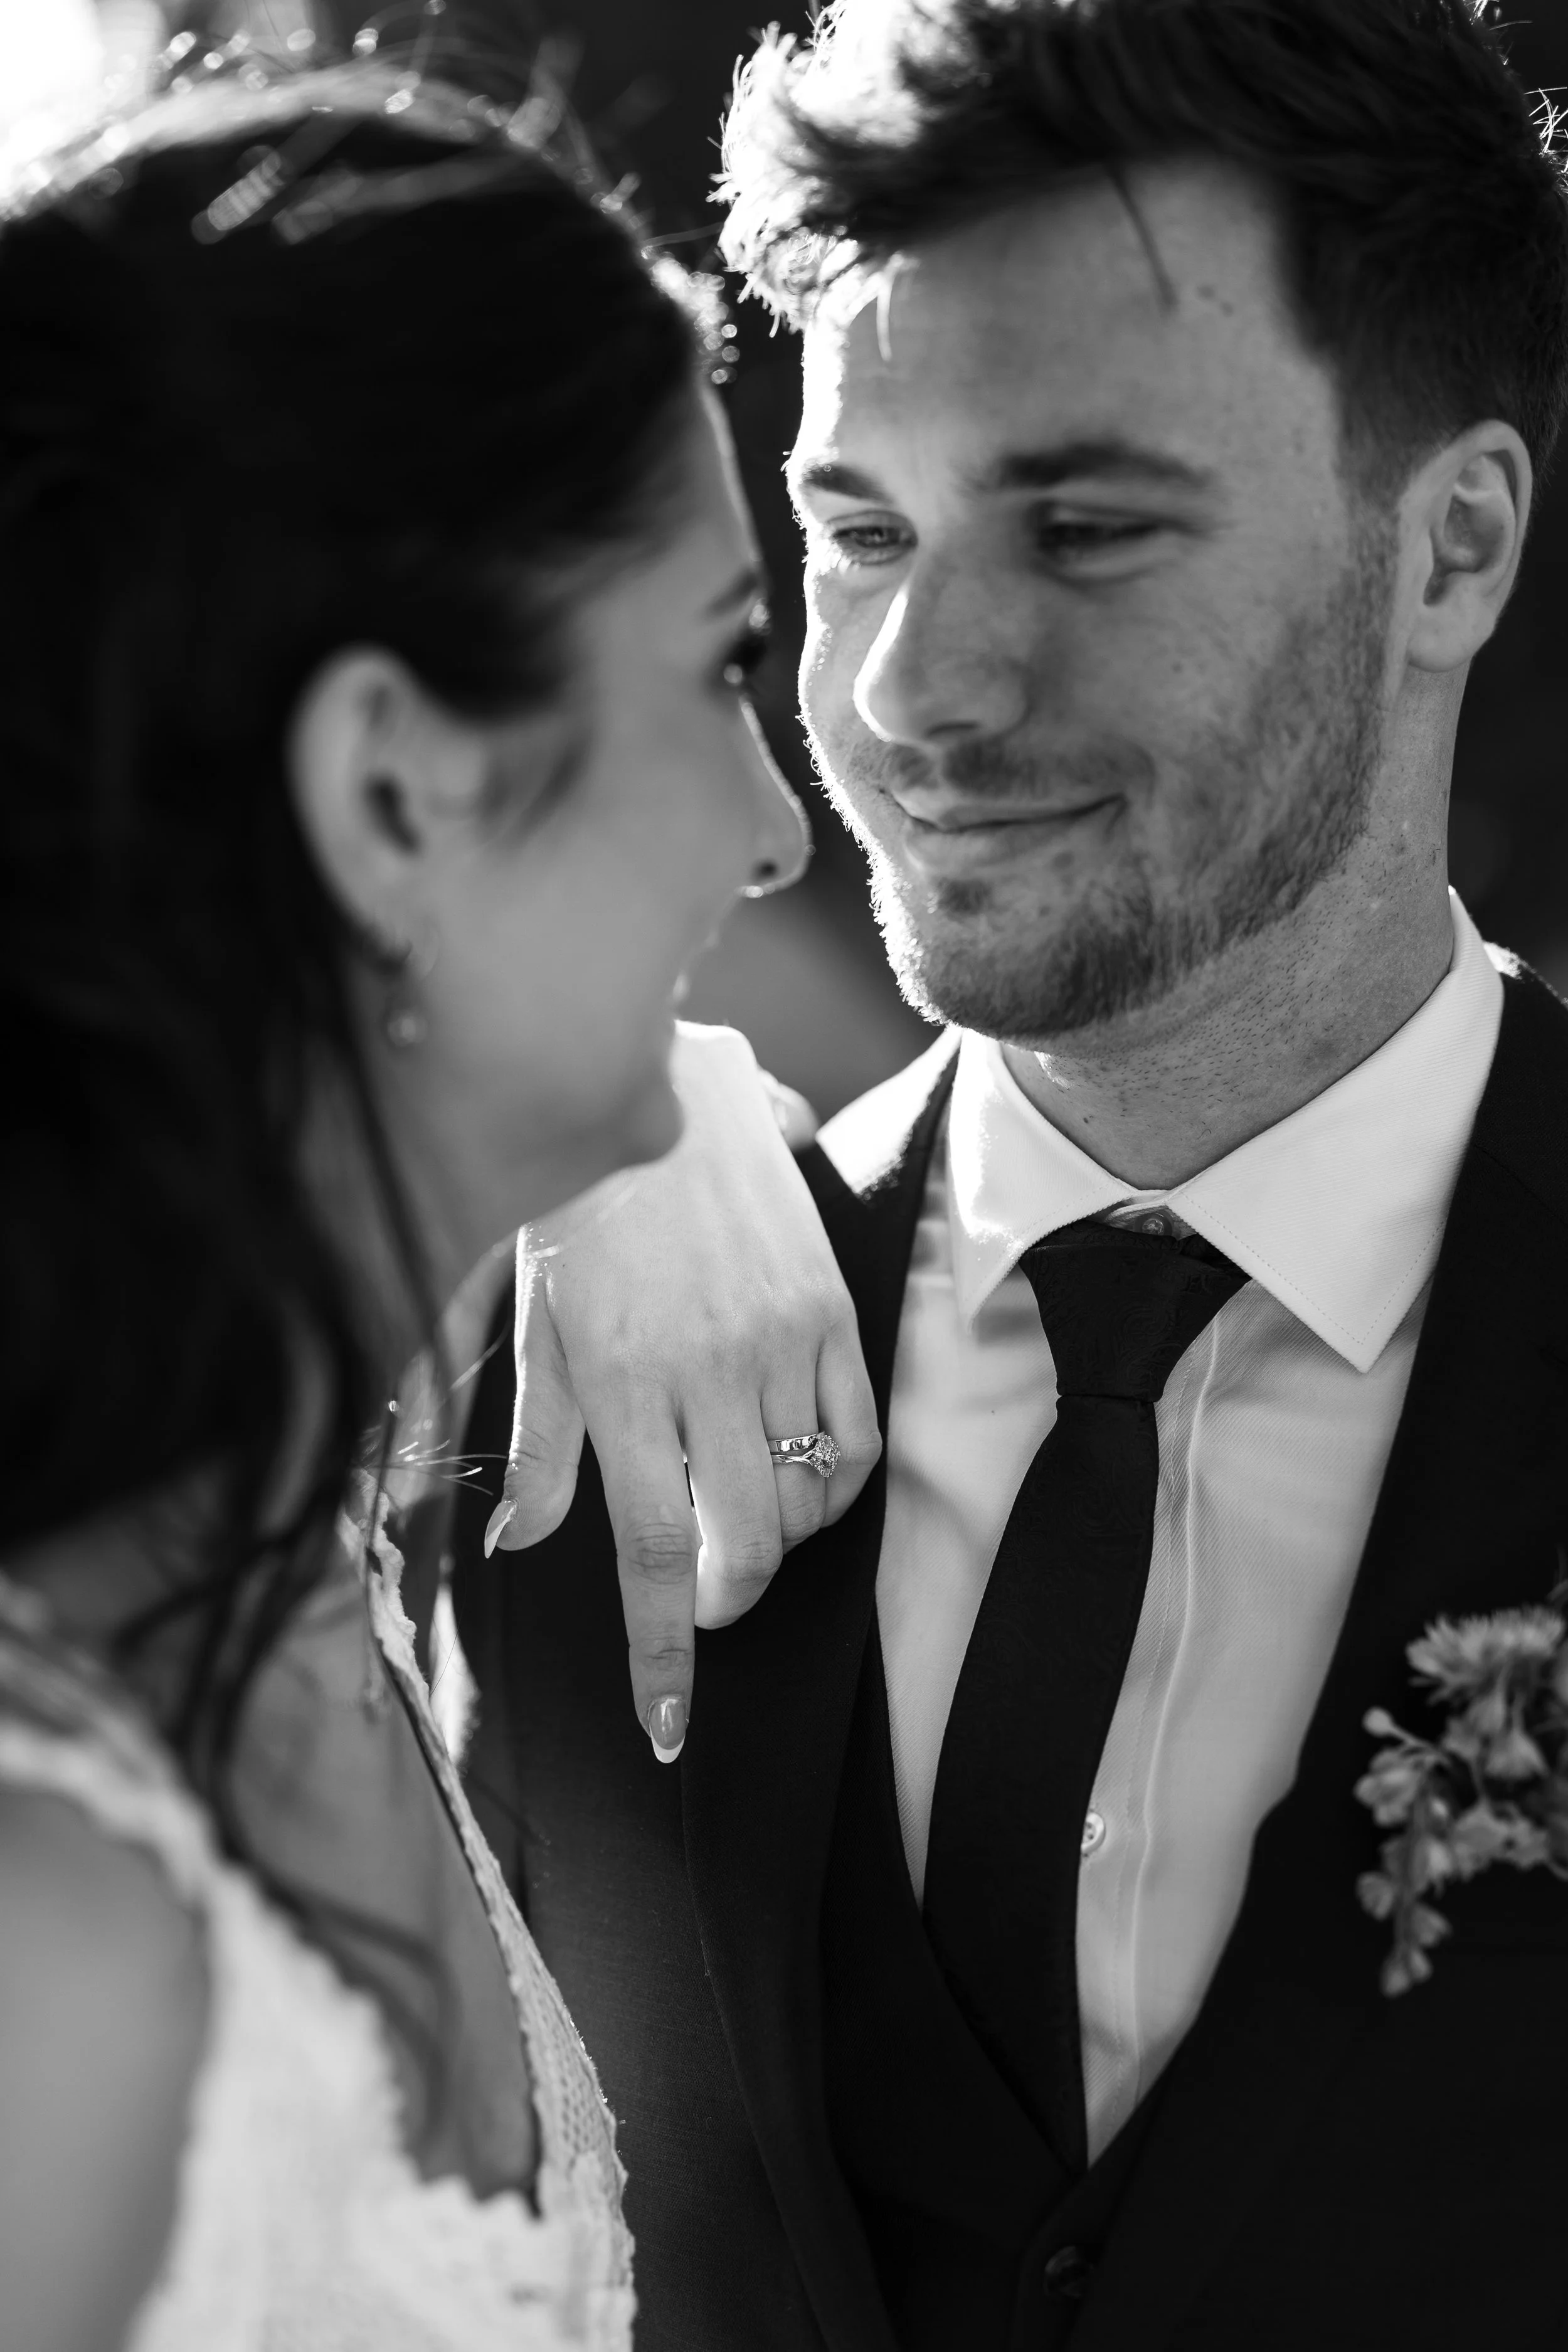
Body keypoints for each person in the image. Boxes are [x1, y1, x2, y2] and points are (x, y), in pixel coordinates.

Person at [448, 2, 1568, 2346]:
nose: (905, 689)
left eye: (1084, 526)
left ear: (1448, 547)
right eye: (857, 530)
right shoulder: (549, 1366)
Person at [0, 44, 813, 2352]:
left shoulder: (320, 1563)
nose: (774, 825)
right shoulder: (37, 1914)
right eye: (721, 665)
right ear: (391, 792)